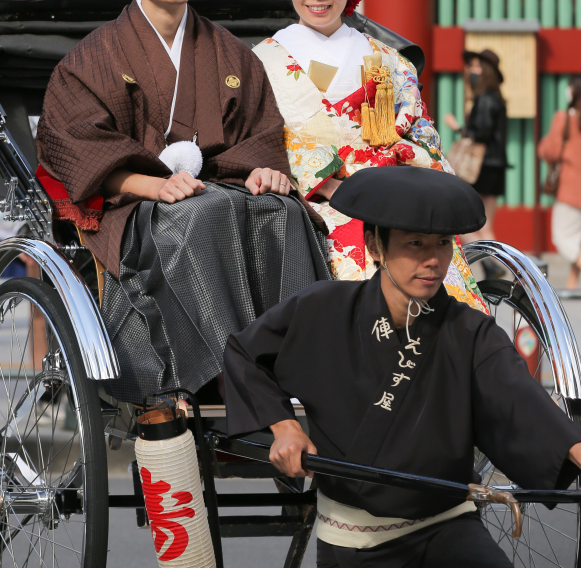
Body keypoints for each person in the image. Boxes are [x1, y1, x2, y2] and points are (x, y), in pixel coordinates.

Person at [36, 0, 330, 403]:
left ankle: (299, 369)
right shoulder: (93, 57)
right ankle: (231, 381)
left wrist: (264, 172)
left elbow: (260, 135)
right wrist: (151, 184)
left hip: (215, 190)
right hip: (132, 208)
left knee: (283, 212)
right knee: (206, 213)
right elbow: (75, 144)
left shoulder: (230, 52)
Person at [223, 165, 581, 568]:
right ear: (374, 245)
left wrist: (576, 448)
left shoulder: (468, 330)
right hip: (352, 540)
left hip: (446, 526)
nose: (432, 260)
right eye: (415, 243)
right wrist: (284, 427)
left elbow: (517, 398)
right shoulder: (323, 309)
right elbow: (244, 354)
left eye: (443, 243)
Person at [252, 0, 484, 309]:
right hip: (311, 203)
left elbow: (419, 132)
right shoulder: (260, 61)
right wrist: (328, 184)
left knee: (447, 296)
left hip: (393, 196)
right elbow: (258, 137)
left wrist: (404, 171)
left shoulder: (387, 59)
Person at [444, 49, 508, 243]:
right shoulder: (498, 98)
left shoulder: (485, 99)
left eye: (477, 67)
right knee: (486, 224)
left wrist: (458, 127)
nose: (472, 71)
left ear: (487, 71)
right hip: (495, 165)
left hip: (480, 167)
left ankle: (489, 261)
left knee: (461, 217)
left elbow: (482, 133)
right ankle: (494, 262)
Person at [539, 75, 581, 288]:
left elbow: (551, 151)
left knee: (561, 236)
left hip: (572, 190)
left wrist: (543, 144)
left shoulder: (565, 118)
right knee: (578, 238)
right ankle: (572, 285)